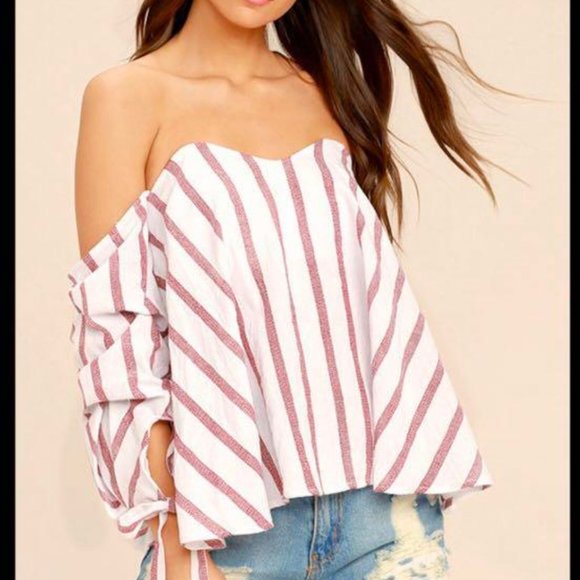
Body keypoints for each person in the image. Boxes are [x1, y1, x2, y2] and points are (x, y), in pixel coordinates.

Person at [68, 1, 494, 578]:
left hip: (383, 516)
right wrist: (169, 517)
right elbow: (113, 335)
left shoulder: (326, 91)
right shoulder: (126, 97)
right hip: (228, 528)